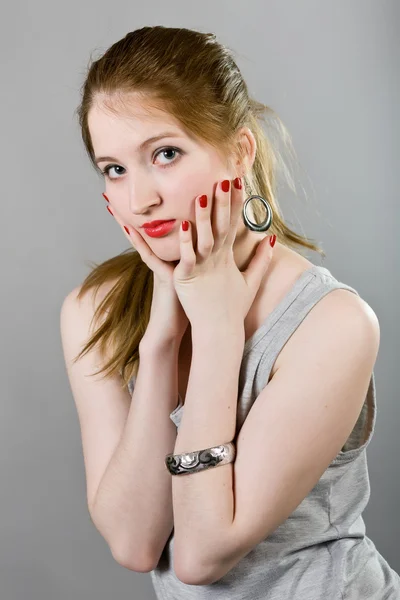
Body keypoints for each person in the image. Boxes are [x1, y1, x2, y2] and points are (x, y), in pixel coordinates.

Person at [60, 25, 400, 599]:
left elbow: (200, 554)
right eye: (114, 169)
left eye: (164, 154)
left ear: (240, 151)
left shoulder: (334, 324)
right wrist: (161, 342)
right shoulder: (93, 311)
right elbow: (134, 542)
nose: (140, 199)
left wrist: (218, 333)